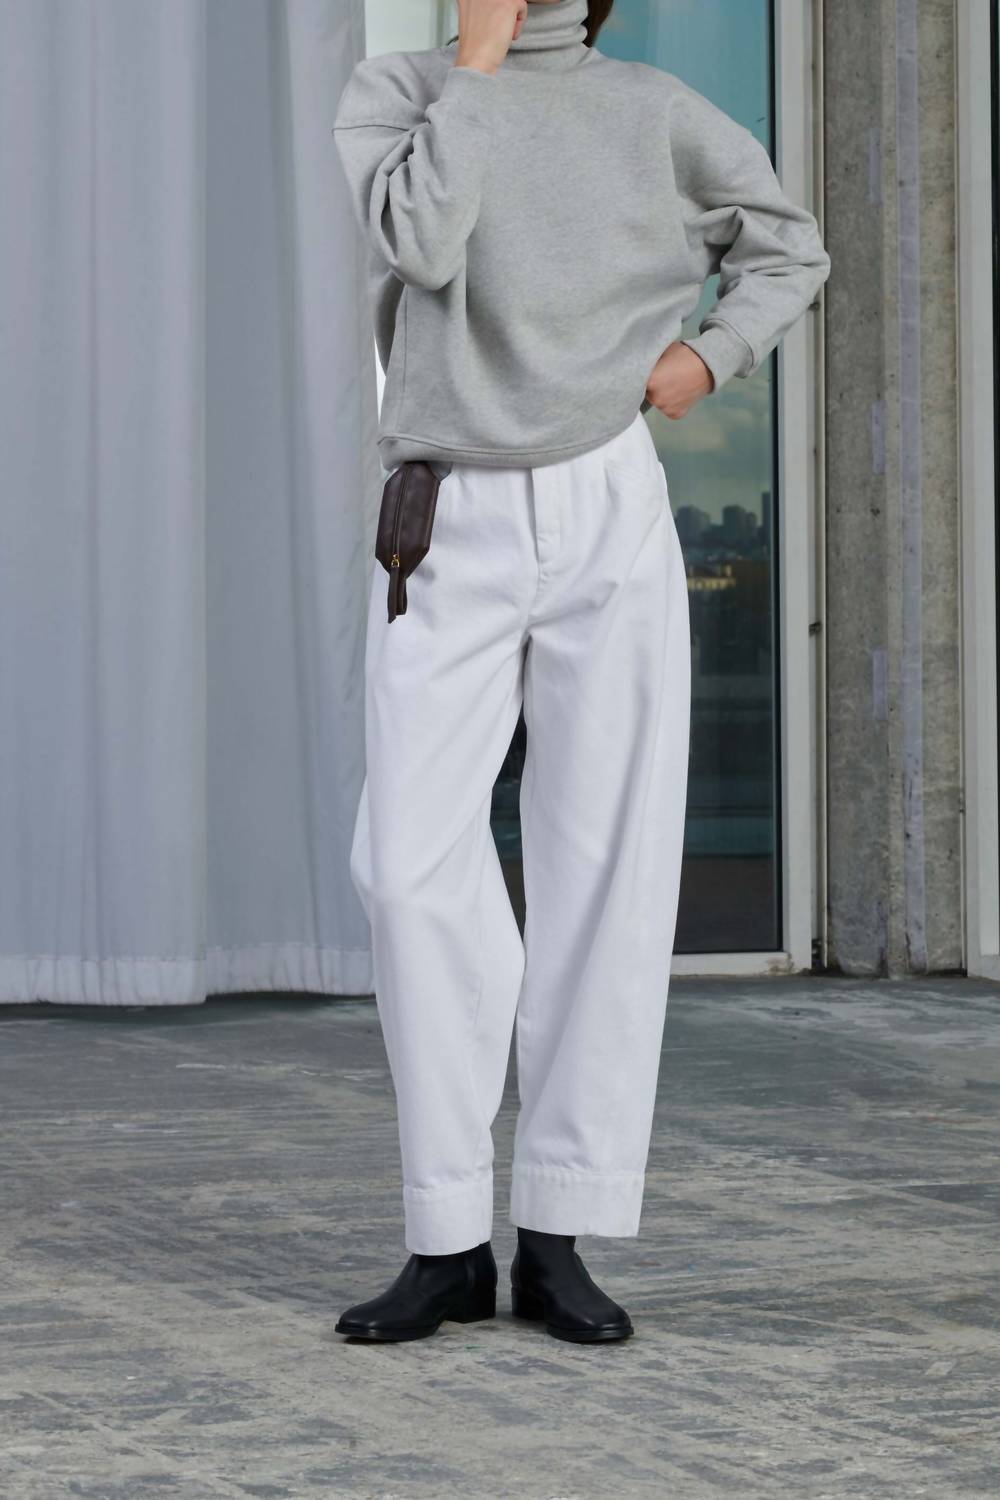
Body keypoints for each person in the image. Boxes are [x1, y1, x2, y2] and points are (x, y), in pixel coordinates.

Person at [331, 0, 831, 1343]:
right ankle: (446, 1235)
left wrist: (707, 355)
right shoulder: (400, 92)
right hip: (445, 511)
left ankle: (557, 1229)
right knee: (406, 866)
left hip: (607, 498)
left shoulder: (650, 110)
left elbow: (790, 244)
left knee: (608, 864)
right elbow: (421, 242)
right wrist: (480, 66)